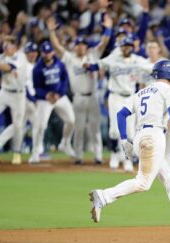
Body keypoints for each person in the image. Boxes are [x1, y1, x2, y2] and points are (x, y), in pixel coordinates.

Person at [89, 59, 170, 243]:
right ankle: (104, 196)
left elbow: (120, 114)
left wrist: (125, 139)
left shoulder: (140, 92)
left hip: (142, 136)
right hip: (153, 137)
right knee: (143, 183)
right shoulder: (168, 90)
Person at [47, 14, 112, 164]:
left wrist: (108, 29)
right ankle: (78, 156)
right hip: (78, 97)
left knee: (95, 128)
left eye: (83, 44)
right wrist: (51, 32)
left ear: (86, 46)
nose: (81, 46)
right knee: (79, 128)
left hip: (93, 96)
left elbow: (104, 42)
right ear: (75, 46)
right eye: (78, 44)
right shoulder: (70, 58)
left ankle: (98, 156)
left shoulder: (93, 54)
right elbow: (57, 47)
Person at [87, 36, 152, 171]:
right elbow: (98, 65)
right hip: (115, 96)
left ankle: (126, 158)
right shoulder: (113, 58)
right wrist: (88, 65)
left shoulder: (137, 60)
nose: (126, 48)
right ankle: (115, 154)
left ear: (132, 47)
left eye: (128, 45)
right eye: (124, 46)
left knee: (130, 131)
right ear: (120, 47)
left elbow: (152, 67)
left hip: (131, 97)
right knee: (115, 131)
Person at [29, 41, 75, 164]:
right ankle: (35, 152)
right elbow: (36, 87)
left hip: (59, 96)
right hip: (45, 99)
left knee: (71, 120)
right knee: (40, 126)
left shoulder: (59, 64)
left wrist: (59, 93)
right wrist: (46, 95)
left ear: (53, 52)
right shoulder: (37, 68)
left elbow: (65, 79)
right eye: (45, 53)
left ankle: (65, 143)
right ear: (42, 53)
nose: (48, 55)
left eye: (49, 52)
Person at [0, 42, 39, 152]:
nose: (32, 54)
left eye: (34, 52)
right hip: (25, 98)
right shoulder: (22, 59)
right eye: (30, 52)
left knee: (22, 124)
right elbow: (26, 85)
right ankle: (38, 150)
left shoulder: (35, 64)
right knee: (29, 123)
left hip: (24, 96)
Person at [0, 36, 28, 165]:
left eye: (9, 46)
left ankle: (16, 152)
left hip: (19, 94)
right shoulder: (1, 57)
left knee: (18, 125)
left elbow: (8, 67)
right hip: (4, 92)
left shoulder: (21, 57)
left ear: (15, 47)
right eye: (5, 46)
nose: (6, 48)